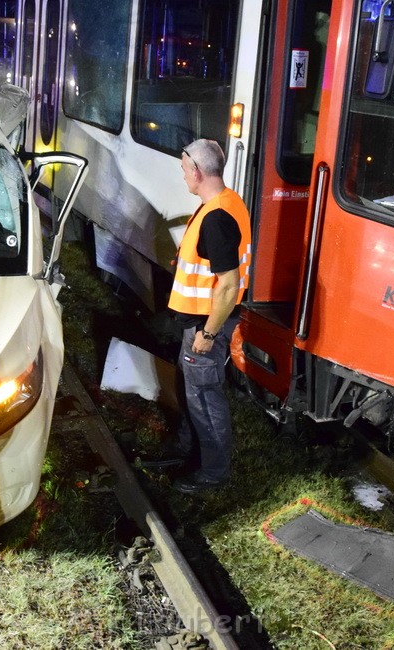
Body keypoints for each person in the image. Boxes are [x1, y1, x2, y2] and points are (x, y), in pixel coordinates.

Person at [166, 139, 252, 495]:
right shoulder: (225, 203)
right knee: (193, 390)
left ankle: (214, 473)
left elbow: (229, 285)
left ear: (198, 172)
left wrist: (209, 334)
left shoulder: (216, 217)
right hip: (199, 321)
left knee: (204, 395)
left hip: (206, 325)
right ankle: (188, 451)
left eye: (185, 169)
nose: (183, 175)